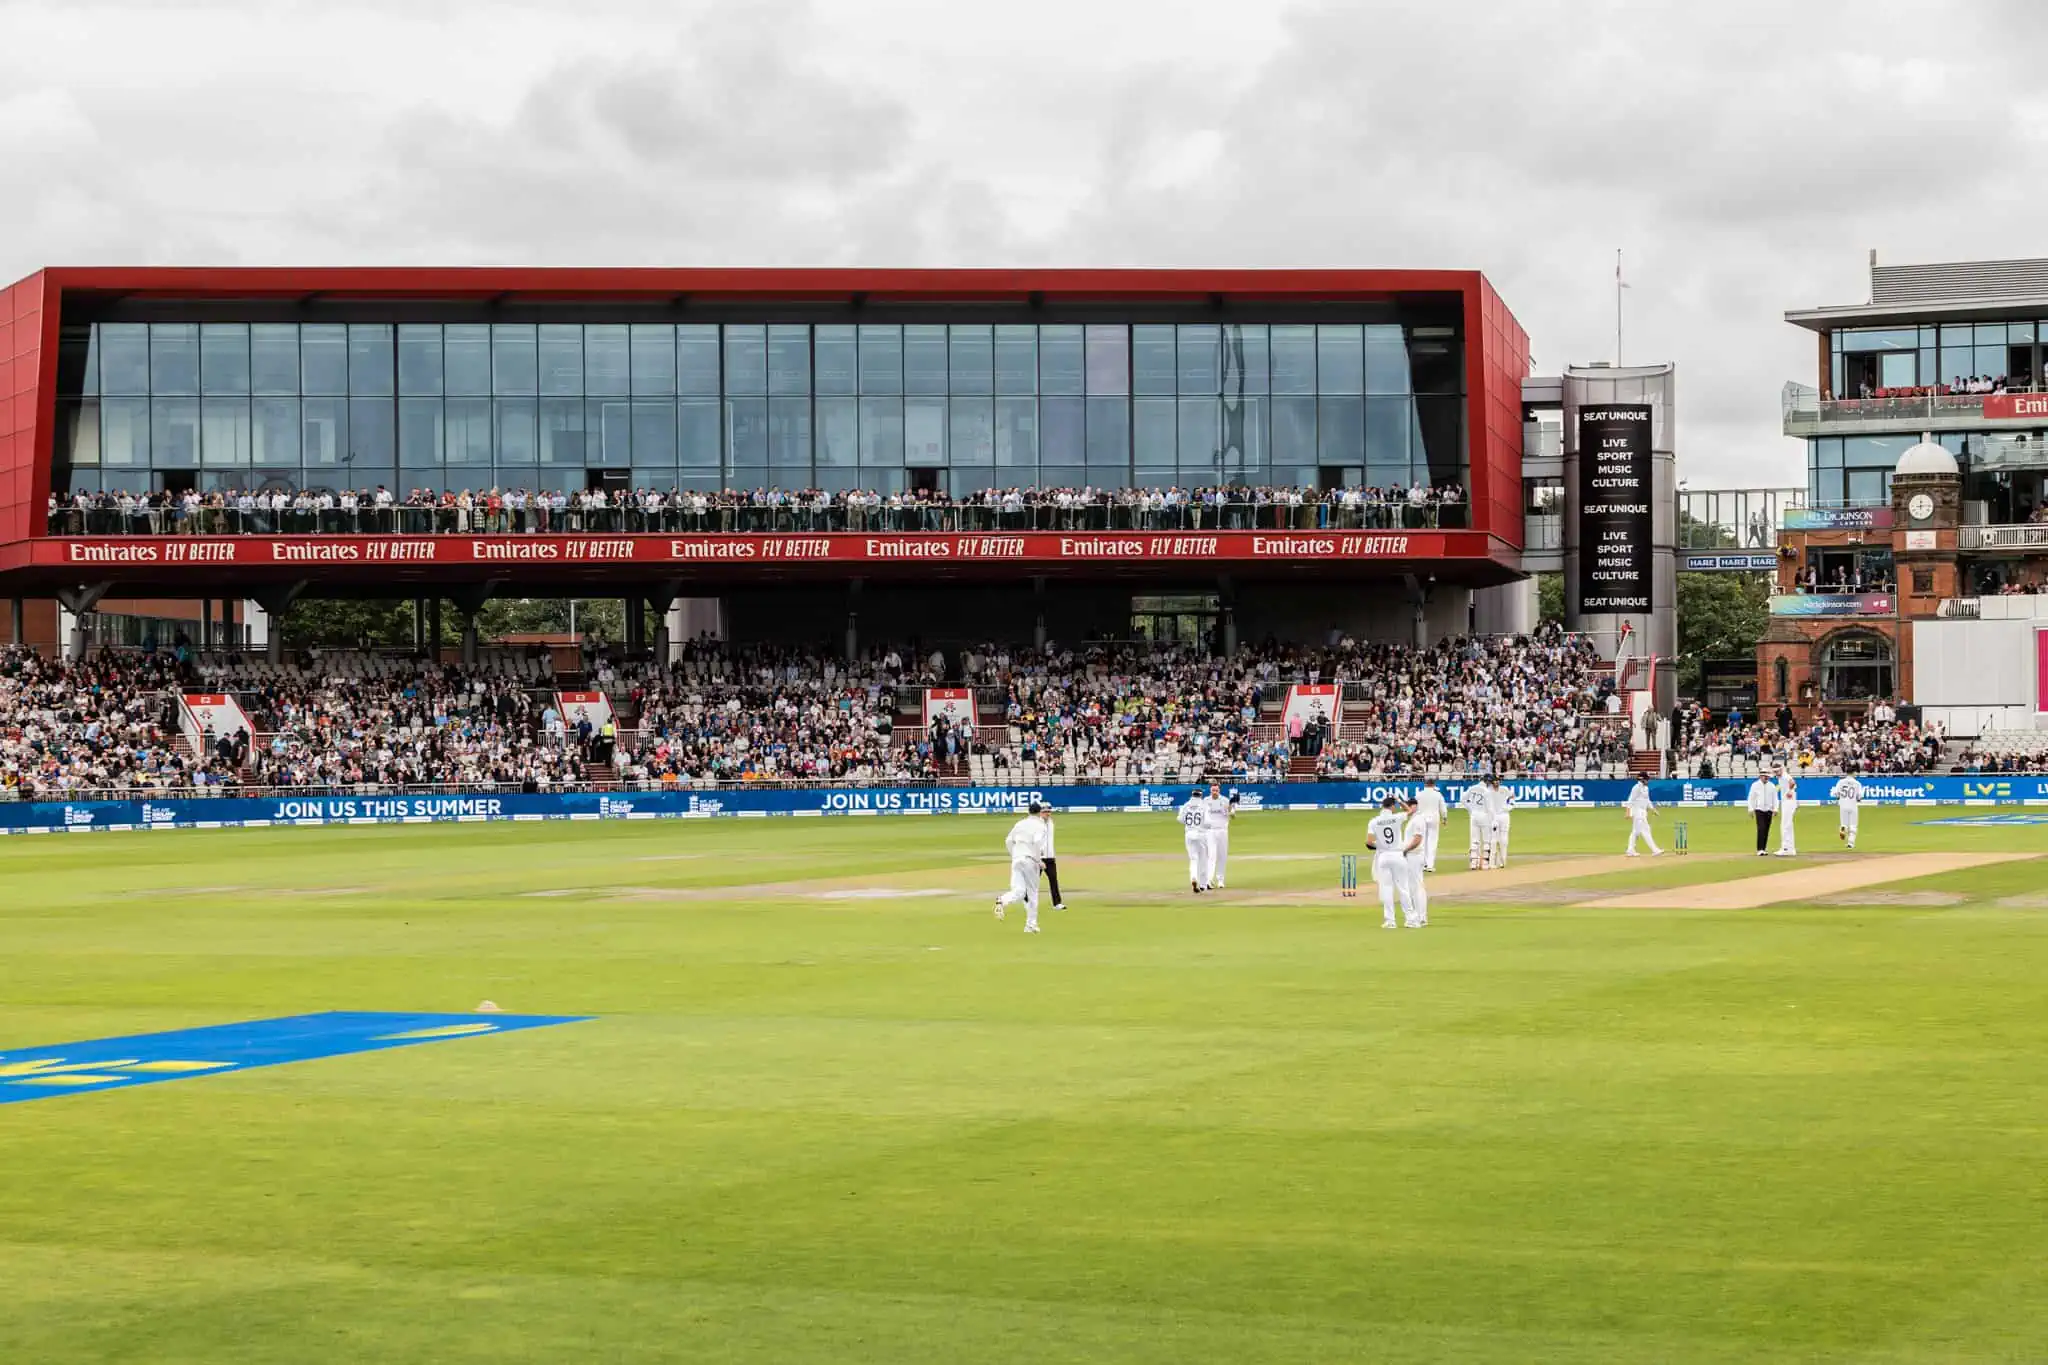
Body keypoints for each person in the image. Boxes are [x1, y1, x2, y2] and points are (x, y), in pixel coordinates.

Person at [993, 802, 1048, 933]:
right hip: (1030, 860)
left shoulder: (1020, 824)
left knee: (1019, 892)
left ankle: (1002, 900)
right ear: (1040, 812)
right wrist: (1038, 860)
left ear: (1029, 812)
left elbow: (1008, 841)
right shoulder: (1041, 825)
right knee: (1032, 894)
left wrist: (1015, 855)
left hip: (1017, 859)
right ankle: (1031, 925)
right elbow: (1037, 842)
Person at [1368, 796, 1419, 930]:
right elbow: (1410, 811)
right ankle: (1411, 920)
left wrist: (1379, 846)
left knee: (1386, 888)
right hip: (1398, 855)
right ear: (1392, 806)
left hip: (1383, 856)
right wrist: (1400, 801)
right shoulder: (1397, 817)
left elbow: (1368, 842)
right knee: (1403, 888)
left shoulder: (1374, 821)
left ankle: (1390, 921)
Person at [1401, 796, 1430, 928]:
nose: (1405, 810)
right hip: (1413, 855)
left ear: (1414, 806)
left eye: (1407, 806)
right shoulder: (1414, 817)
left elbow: (1417, 839)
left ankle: (1419, 917)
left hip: (1414, 855)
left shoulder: (1418, 819)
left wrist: (1405, 850)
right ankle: (1420, 917)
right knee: (1414, 886)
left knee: (1416, 887)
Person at [1178, 786, 1213, 893]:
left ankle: (1193, 877)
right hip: (1201, 834)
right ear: (1201, 795)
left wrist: (1190, 825)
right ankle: (1203, 885)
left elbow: (1180, 819)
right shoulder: (1204, 805)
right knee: (1203, 859)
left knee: (1193, 859)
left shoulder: (1185, 805)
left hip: (1189, 834)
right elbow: (1207, 823)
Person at [1204, 782, 1239, 888]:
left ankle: (1220, 880)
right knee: (1211, 856)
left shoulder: (1225, 800)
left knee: (1222, 856)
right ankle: (1209, 880)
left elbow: (1232, 815)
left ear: (1219, 791)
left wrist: (1231, 812)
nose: (1214, 792)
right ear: (1210, 791)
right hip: (1210, 831)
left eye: (1216, 790)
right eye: (1213, 790)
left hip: (1223, 830)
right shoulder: (1206, 801)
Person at [1413, 777, 1447, 872]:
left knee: (1422, 841)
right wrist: (1444, 818)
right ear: (1433, 785)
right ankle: (1430, 865)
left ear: (1425, 784)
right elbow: (1443, 808)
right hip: (1434, 819)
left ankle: (1423, 864)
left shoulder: (1419, 794)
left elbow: (1414, 807)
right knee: (1432, 841)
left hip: (1422, 818)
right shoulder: (1438, 794)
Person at [1625, 776, 1664, 857]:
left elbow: (1647, 800)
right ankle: (1655, 850)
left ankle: (1630, 850)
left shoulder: (1646, 788)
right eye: (1647, 779)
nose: (1648, 781)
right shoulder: (1636, 788)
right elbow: (1630, 800)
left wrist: (1653, 809)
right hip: (1637, 812)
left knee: (1635, 832)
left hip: (1643, 812)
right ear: (1642, 779)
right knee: (1646, 831)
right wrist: (1627, 812)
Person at [1482, 775, 1514, 869]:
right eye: (1495, 781)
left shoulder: (1504, 789)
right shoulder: (1488, 792)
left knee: (1504, 838)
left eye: (1498, 781)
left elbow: (1512, 796)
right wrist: (1492, 817)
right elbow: (1487, 807)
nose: (1496, 782)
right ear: (1491, 783)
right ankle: (1492, 862)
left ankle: (1502, 861)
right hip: (1494, 817)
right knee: (1494, 839)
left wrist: (1511, 806)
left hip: (1504, 816)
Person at [1746, 769, 1779, 856]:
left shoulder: (1771, 786)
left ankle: (1764, 849)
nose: (1766, 778)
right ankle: (1759, 849)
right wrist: (1750, 809)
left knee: (1766, 830)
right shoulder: (1755, 785)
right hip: (1759, 809)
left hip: (1769, 810)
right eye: (1765, 776)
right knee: (1761, 828)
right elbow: (1751, 798)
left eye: (1767, 776)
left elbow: (1775, 798)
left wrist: (1775, 809)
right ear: (1760, 776)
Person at [1459, 780, 1489, 869]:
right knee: (1486, 840)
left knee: (1474, 840)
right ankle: (1485, 864)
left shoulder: (1472, 788)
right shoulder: (1487, 791)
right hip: (1484, 815)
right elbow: (1490, 806)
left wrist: (1470, 810)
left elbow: (1462, 799)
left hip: (1474, 815)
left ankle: (1473, 863)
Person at [1830, 771, 1864, 849]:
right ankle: (1850, 843)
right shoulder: (1857, 783)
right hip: (1852, 805)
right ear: (1853, 773)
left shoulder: (1840, 782)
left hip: (1843, 805)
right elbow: (1859, 797)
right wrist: (1857, 799)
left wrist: (1841, 798)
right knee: (1853, 825)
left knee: (1844, 823)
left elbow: (1836, 794)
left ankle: (1843, 828)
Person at [1040, 811, 1066, 910]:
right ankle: (1026, 900)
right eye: (1045, 812)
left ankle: (1057, 903)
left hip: (1050, 857)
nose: (1047, 813)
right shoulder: (1036, 824)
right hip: (1039, 858)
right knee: (1033, 881)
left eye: (1049, 811)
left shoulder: (1051, 823)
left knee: (1053, 879)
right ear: (1040, 812)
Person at [1777, 768, 1799, 856]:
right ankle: (1790, 849)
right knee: (1788, 825)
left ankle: (1785, 848)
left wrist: (1790, 791)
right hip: (1786, 801)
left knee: (1785, 825)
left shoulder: (1785, 776)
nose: (1775, 773)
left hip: (1788, 802)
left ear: (1781, 770)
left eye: (1777, 771)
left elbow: (1793, 782)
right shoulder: (1781, 777)